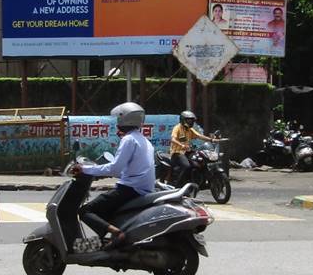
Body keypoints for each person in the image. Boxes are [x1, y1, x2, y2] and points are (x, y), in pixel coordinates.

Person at [74, 101, 155, 249]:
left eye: (118, 119)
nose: (117, 123)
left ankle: (118, 234)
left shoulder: (129, 140)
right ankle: (103, 244)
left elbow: (115, 169)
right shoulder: (144, 140)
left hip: (130, 190)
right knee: (104, 208)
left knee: (85, 210)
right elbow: (128, 168)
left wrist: (84, 169)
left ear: (124, 119)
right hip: (141, 190)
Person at [169, 109, 213, 186]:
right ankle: (178, 186)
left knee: (200, 162)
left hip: (187, 152)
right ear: (183, 120)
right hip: (177, 153)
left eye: (192, 120)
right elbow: (173, 139)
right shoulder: (177, 128)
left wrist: (212, 140)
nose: (191, 122)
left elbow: (200, 136)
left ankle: (199, 181)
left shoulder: (190, 130)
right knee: (187, 166)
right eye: (189, 120)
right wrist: (181, 145)